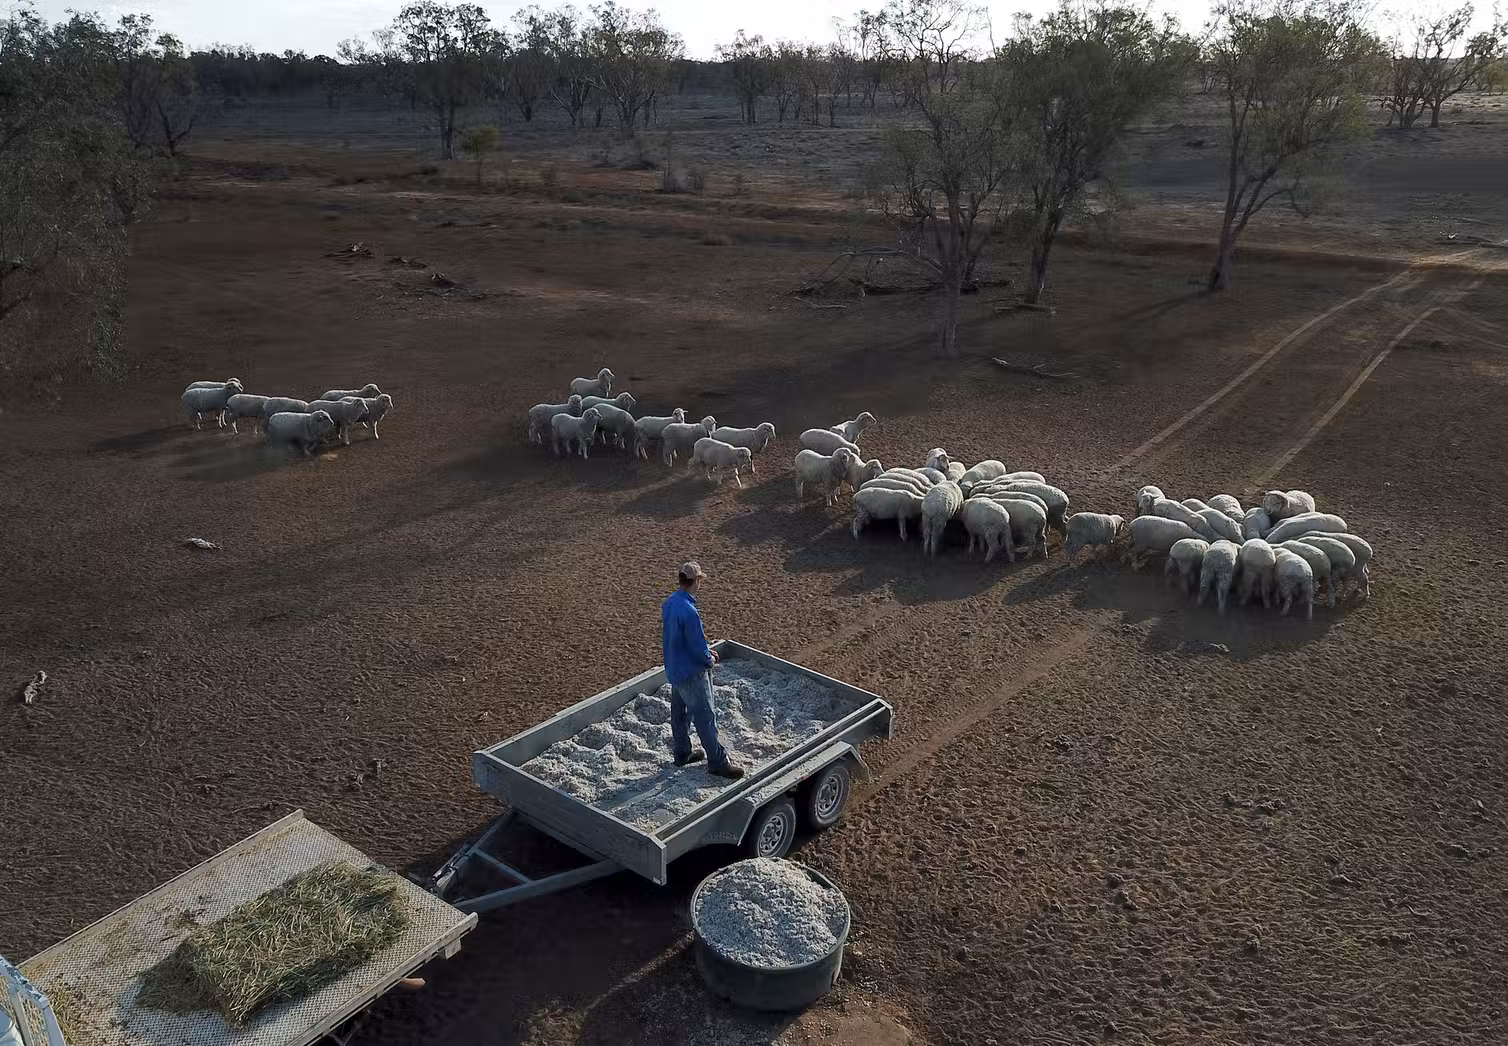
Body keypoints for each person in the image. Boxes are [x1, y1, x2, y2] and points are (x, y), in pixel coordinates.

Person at [661, 562, 744, 779]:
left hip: (674, 668)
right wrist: (709, 659)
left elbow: (678, 637)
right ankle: (717, 761)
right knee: (705, 717)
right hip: (691, 672)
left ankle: (682, 753)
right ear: (696, 581)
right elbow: (697, 645)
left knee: (679, 713)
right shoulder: (689, 612)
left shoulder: (669, 603)